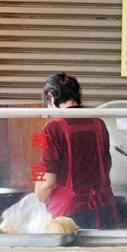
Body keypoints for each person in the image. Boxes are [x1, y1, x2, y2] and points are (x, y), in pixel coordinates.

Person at [34, 73, 119, 229]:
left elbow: (46, 183)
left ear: (52, 97)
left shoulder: (53, 129)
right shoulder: (99, 123)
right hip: (104, 210)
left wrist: (38, 199)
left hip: (71, 216)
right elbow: (105, 166)